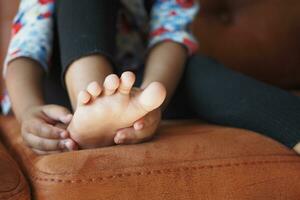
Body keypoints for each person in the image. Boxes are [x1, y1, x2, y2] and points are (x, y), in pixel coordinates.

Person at [3, 0, 300, 155]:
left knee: (198, 69)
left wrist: (150, 104)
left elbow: (171, 41)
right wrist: (28, 110)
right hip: (63, 102)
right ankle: (89, 107)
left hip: (138, 92)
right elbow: (26, 51)